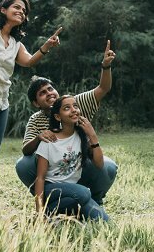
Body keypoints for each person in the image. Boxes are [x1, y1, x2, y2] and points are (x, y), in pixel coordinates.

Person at [0, 0, 61, 201]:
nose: (21, 11)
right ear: (3, 9)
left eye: (24, 11)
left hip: (2, 101)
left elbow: (29, 61)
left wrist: (46, 46)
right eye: (17, 7)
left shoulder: (15, 43)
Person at [16, 40, 118, 204]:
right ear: (36, 103)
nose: (49, 93)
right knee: (23, 164)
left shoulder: (75, 104)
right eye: (42, 93)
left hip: (78, 165)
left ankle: (95, 200)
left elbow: (103, 89)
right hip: (51, 174)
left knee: (109, 166)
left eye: (50, 88)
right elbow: (26, 150)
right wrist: (39, 137)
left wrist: (106, 66)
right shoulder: (36, 120)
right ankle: (50, 200)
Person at [33, 94, 110, 222]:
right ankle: (45, 215)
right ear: (58, 116)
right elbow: (40, 178)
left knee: (105, 222)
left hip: (74, 191)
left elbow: (100, 164)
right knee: (84, 193)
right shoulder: (49, 141)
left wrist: (92, 135)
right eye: (67, 108)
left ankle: (63, 216)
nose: (74, 110)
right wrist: (39, 211)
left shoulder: (81, 136)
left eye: (75, 106)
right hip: (52, 189)